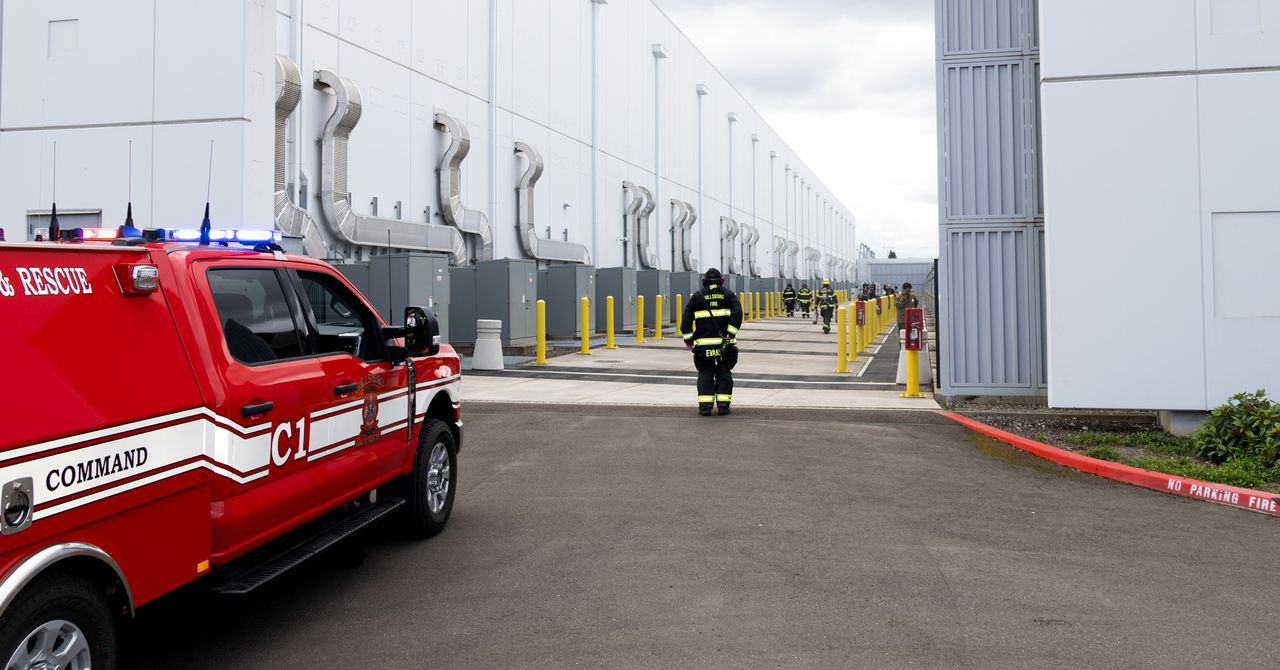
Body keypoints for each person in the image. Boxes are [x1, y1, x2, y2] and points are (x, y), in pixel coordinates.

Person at [680, 268, 743, 416]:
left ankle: (705, 407)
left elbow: (686, 320)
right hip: (725, 345)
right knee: (724, 373)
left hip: (703, 346)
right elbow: (737, 314)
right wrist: (730, 334)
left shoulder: (697, 297)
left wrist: (689, 340)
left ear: (704, 281)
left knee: (705, 374)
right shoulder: (729, 295)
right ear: (721, 280)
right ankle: (723, 407)